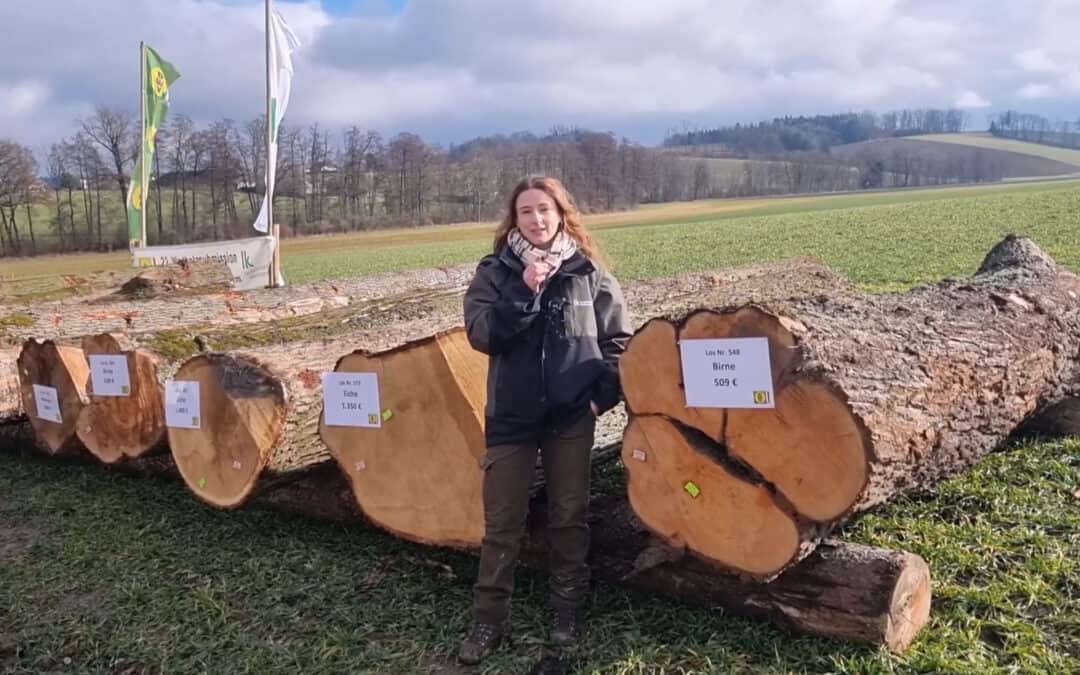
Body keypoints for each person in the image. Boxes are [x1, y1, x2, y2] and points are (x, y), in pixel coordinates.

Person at [458, 175, 631, 665]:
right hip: (511, 419)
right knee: (502, 523)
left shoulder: (587, 272)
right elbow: (481, 334)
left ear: (561, 214)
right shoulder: (495, 272)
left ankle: (566, 610)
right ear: (515, 221)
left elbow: (619, 341)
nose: (536, 219)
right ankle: (488, 620)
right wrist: (522, 292)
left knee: (568, 515)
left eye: (544, 209)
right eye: (526, 211)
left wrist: (601, 398)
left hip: (571, 417)